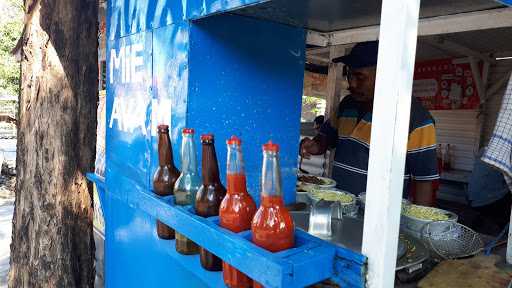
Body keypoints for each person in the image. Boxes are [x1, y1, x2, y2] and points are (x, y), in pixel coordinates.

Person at [300, 41, 439, 206]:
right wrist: (312, 146)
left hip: (380, 222)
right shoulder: (347, 104)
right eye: (349, 75)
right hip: (338, 207)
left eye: (360, 77)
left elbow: (424, 181)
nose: (351, 83)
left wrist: (419, 229)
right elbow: (326, 138)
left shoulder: (416, 118)